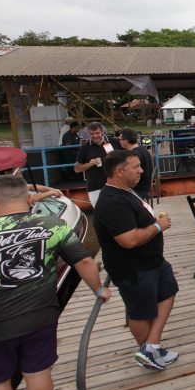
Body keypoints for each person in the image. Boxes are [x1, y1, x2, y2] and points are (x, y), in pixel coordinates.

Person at [0, 175, 110, 390]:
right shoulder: (54, 225)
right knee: (38, 375)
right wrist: (98, 289)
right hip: (39, 319)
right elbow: (84, 261)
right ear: (30, 199)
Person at [93, 150, 178, 370]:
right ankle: (149, 352)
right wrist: (158, 226)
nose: (142, 170)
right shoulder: (112, 200)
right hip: (133, 268)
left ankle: (151, 346)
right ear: (119, 171)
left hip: (152, 262)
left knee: (168, 292)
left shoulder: (126, 191)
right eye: (136, 167)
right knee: (140, 311)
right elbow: (129, 240)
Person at [74, 122, 118, 207]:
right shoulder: (85, 147)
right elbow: (77, 168)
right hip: (95, 187)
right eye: (92, 134)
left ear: (102, 131)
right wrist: (89, 164)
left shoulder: (114, 142)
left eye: (97, 133)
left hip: (114, 185)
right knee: (100, 213)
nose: (95, 136)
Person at [118, 128, 154, 200]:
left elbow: (132, 176)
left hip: (138, 189)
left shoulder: (133, 155)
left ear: (125, 141)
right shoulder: (143, 150)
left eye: (120, 140)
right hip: (145, 187)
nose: (119, 142)